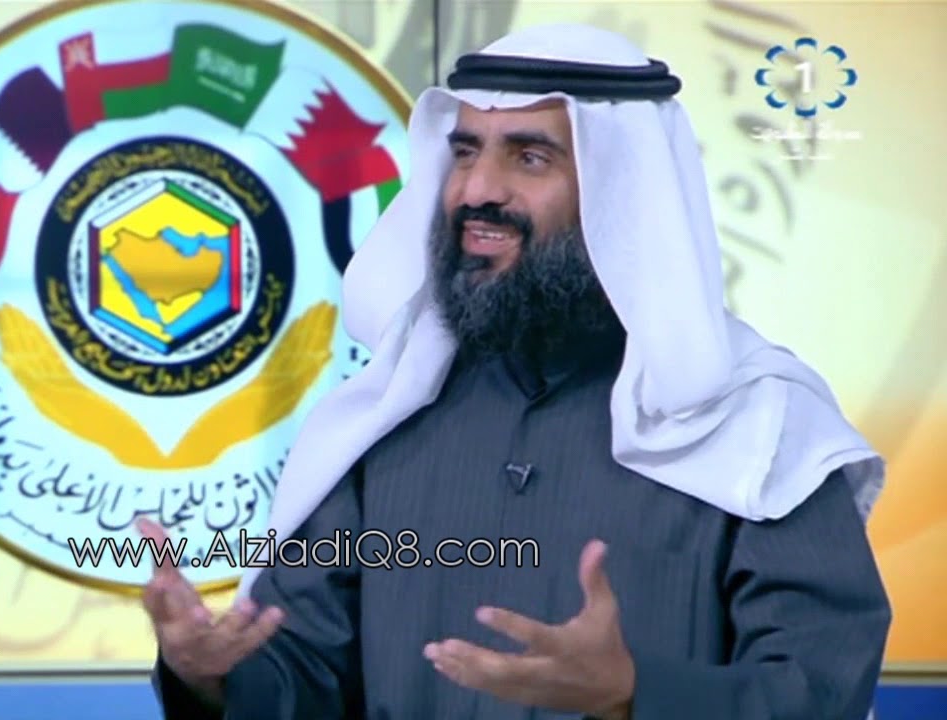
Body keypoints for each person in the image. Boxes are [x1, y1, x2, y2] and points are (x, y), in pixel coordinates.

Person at [141, 23, 891, 720]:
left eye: (530, 158)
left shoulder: (757, 422)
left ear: (623, 190)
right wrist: (208, 675)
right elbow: (305, 678)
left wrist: (635, 695)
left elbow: (820, 690)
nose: (477, 190)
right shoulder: (386, 413)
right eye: (466, 152)